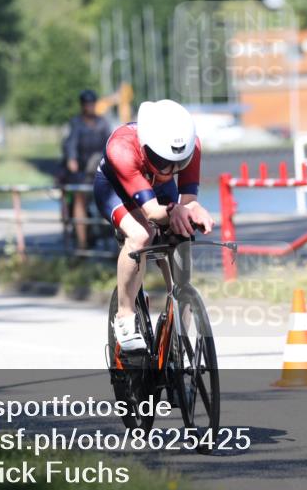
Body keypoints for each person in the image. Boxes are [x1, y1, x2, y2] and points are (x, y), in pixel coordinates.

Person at [94, 100, 214, 351]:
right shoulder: (122, 148)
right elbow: (153, 213)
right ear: (146, 147)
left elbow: (188, 202)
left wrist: (193, 210)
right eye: (162, 161)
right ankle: (125, 316)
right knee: (141, 234)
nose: (171, 170)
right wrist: (174, 210)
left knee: (179, 232)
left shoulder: (191, 145)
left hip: (157, 189)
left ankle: (178, 316)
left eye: (179, 163)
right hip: (116, 189)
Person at [62, 90, 112, 250]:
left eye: (92, 104)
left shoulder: (102, 123)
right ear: (83, 105)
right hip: (81, 171)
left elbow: (110, 143)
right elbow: (71, 143)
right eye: (87, 104)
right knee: (79, 199)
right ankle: (82, 243)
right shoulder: (76, 123)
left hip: (100, 169)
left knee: (112, 197)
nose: (89, 107)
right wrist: (71, 158)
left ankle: (114, 245)